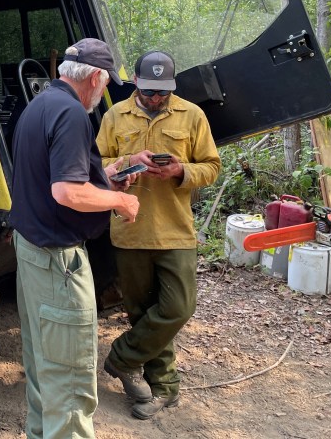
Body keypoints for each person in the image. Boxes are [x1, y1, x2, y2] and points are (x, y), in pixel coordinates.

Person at [10, 37, 140, 439]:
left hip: (30, 254)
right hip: (58, 265)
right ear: (97, 78)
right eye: (105, 85)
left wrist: (111, 173)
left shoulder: (40, 105)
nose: (103, 92)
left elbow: (61, 173)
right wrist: (119, 199)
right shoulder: (72, 114)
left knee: (43, 370)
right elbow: (67, 192)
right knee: (70, 384)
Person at [96, 50, 220, 419]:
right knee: (141, 312)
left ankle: (121, 358)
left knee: (178, 308)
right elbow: (97, 164)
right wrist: (128, 165)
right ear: (135, 82)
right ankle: (163, 389)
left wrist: (182, 172)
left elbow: (211, 166)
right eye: (149, 91)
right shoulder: (115, 116)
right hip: (129, 230)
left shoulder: (191, 115)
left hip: (175, 230)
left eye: (162, 92)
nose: (154, 98)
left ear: (172, 86)